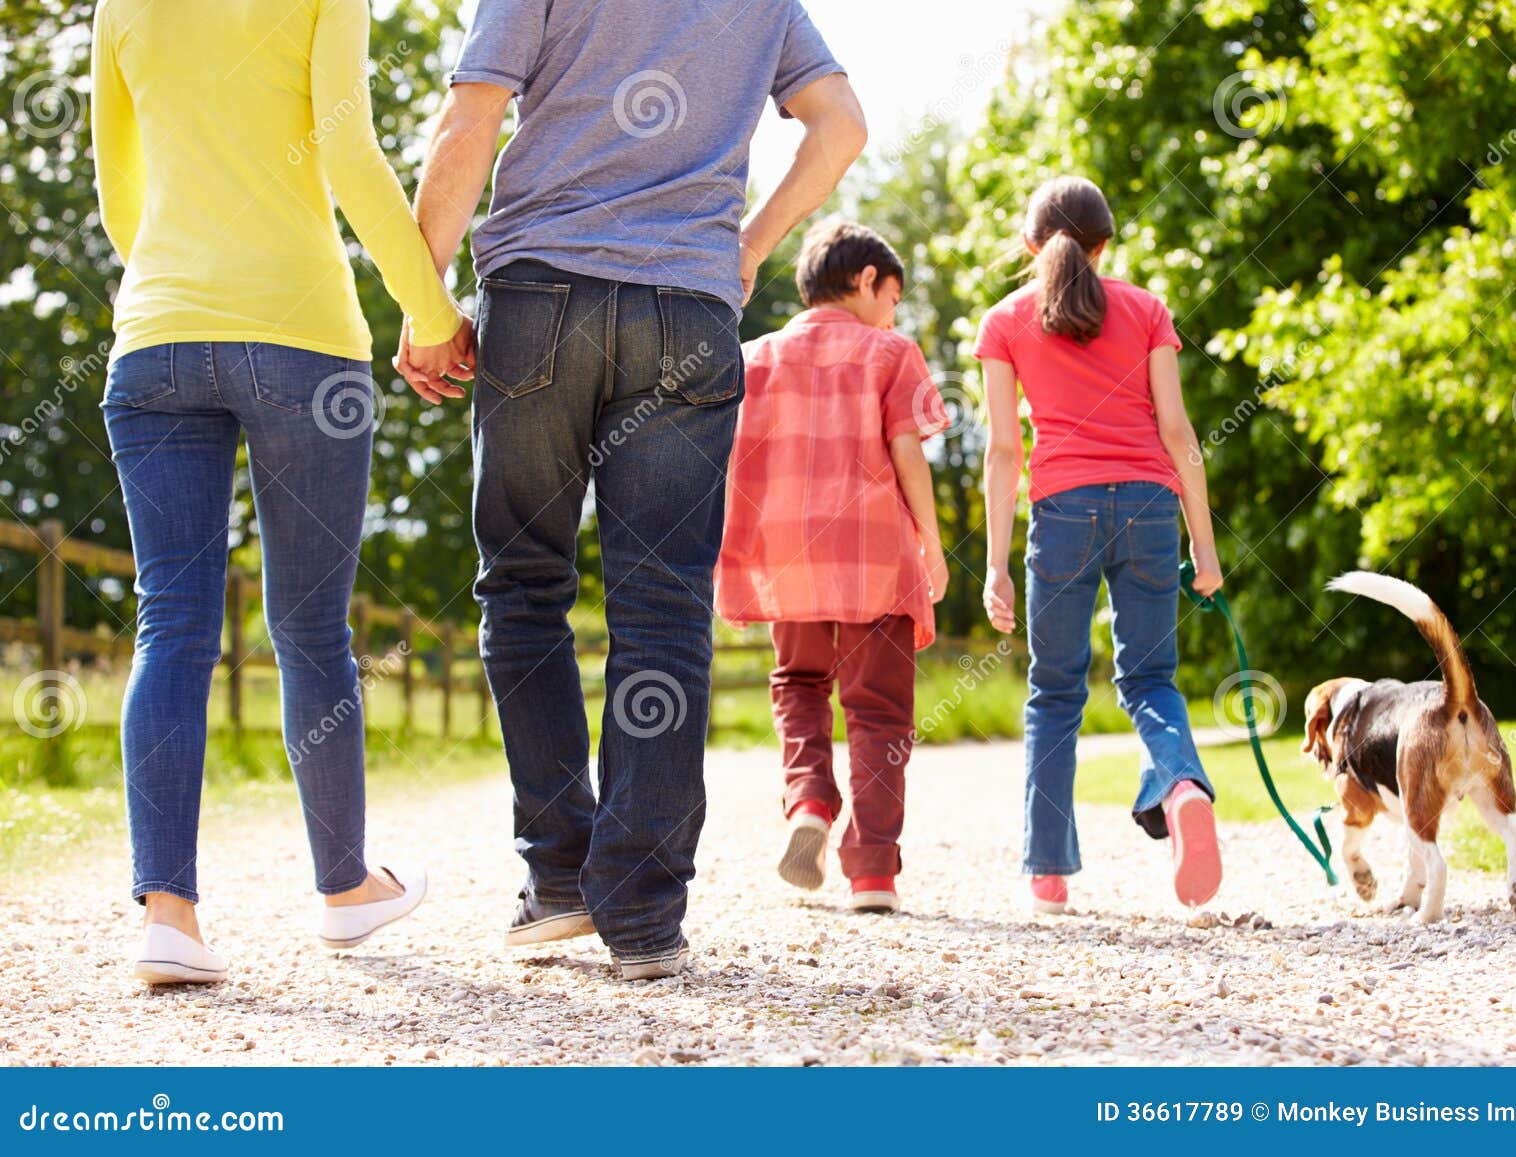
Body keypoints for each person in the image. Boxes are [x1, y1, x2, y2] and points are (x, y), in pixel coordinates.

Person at [393, 0, 867, 979]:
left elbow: (469, 117)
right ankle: (645, 911)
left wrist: (421, 291)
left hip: (540, 302)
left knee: (524, 586)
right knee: (662, 603)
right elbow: (843, 124)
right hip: (688, 311)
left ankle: (559, 876)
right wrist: (748, 246)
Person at [90, 0, 474, 984]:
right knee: (310, 629)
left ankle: (168, 918)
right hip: (303, 337)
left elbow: (116, 192)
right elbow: (349, 154)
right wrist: (430, 310)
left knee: (170, 624)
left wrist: (181, 282)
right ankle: (345, 891)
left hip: (158, 335)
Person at [976, 176, 1225, 914]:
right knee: (1151, 679)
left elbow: (1000, 451)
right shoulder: (1147, 310)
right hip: (1150, 505)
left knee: (1054, 692)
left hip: (1062, 512)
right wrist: (1204, 549)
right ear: (1106, 243)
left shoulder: (1004, 321)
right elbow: (1179, 434)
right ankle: (1179, 783)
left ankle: (1049, 871)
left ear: (1029, 245)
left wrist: (994, 564)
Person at [715, 221, 948, 915]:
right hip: (873, 550)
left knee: (799, 682)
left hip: (787, 552)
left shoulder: (754, 357)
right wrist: (931, 542)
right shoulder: (890, 352)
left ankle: (809, 798)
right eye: (894, 296)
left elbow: (731, 461)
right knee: (879, 708)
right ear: (867, 280)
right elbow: (908, 451)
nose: (894, 312)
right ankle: (873, 872)